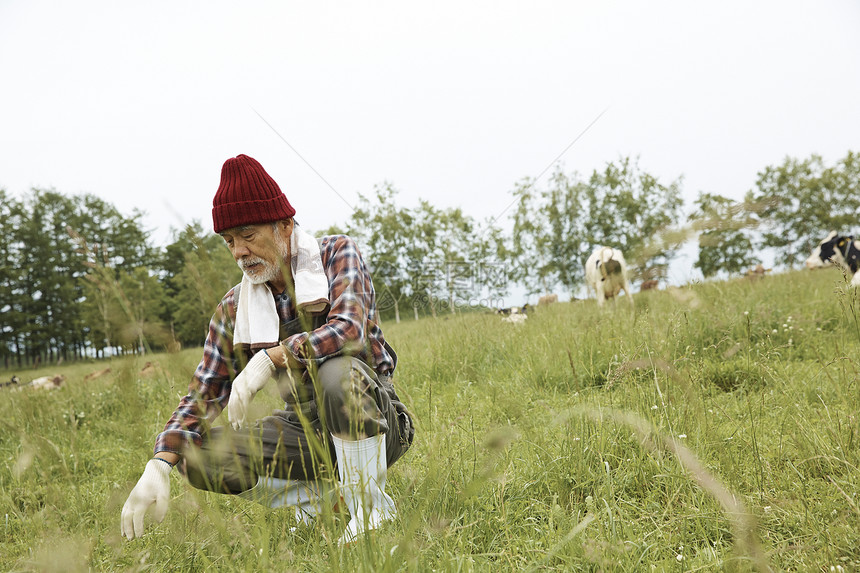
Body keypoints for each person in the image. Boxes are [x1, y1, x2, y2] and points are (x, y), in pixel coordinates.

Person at [120, 154, 414, 545]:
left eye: (248, 234)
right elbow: (204, 392)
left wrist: (271, 356)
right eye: (229, 241)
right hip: (303, 430)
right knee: (198, 455)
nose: (239, 251)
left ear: (284, 226)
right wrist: (158, 462)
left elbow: (349, 329)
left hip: (374, 417)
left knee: (336, 374)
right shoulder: (233, 307)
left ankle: (371, 509)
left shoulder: (336, 255)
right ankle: (325, 500)